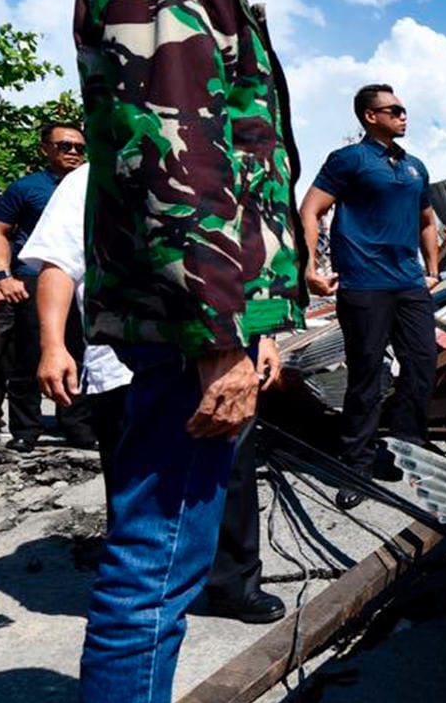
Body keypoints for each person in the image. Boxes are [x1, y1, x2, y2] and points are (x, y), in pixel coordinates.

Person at [69, 0, 303, 703]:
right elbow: (173, 164)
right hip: (184, 333)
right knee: (156, 564)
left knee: (168, 559)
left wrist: (259, 322)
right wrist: (219, 338)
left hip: (200, 322)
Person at [25, 163, 287, 624]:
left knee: (233, 476)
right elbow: (58, 264)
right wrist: (52, 345)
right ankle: (145, 607)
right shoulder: (89, 178)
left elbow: (249, 267)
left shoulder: (217, 171)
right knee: (140, 490)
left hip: (225, 359)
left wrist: (264, 337)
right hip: (131, 363)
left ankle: (234, 585)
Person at [298, 83, 438, 507]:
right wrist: (309, 267)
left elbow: (427, 219)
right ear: (368, 116)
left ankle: (407, 452)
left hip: (409, 283)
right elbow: (311, 209)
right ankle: (355, 466)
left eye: (403, 108)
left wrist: (432, 270)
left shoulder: (415, 167)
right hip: (363, 284)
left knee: (422, 365)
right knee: (366, 375)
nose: (402, 114)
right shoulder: (349, 160)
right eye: (392, 109)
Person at [0, 121, 92, 451]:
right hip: (33, 279)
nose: (73, 152)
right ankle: (25, 429)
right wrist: (4, 277)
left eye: (78, 147)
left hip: (80, 280)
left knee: (78, 350)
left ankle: (76, 425)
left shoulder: (93, 183)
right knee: (31, 354)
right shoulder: (26, 188)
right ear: (45, 148)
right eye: (64, 146)